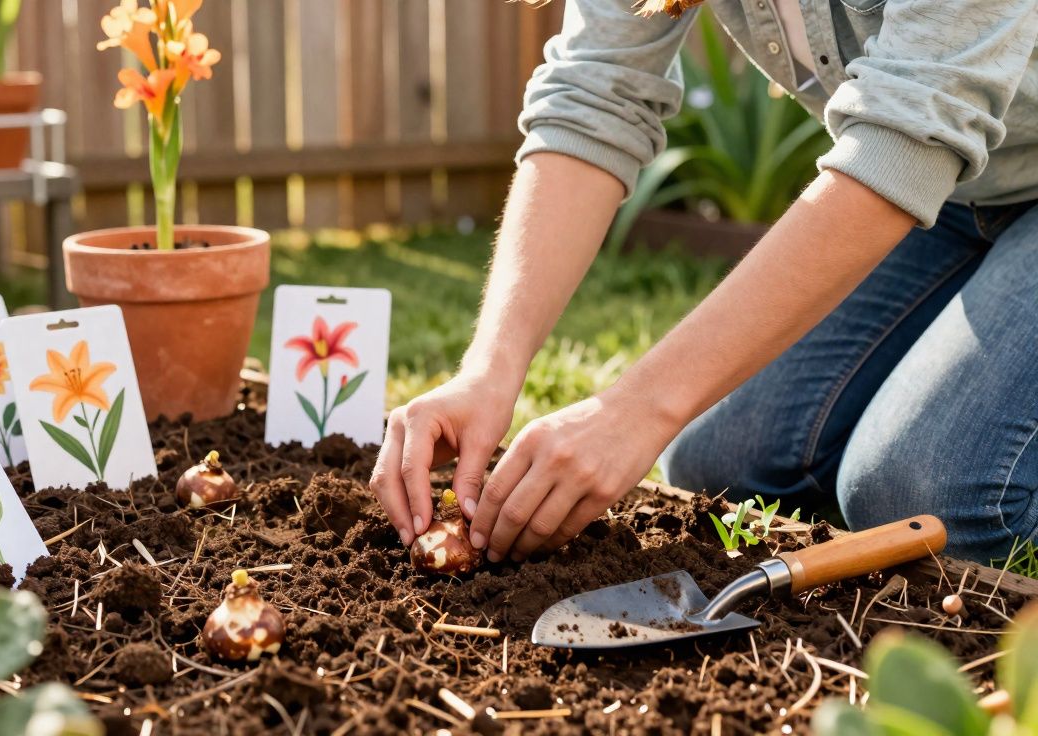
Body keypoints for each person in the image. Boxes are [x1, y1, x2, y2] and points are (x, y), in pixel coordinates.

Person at [368, 0, 1038, 564]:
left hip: (936, 165)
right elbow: (596, 92)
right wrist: (488, 369)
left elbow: (909, 139)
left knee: (929, 495)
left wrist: (635, 410)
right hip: (951, 198)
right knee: (720, 463)